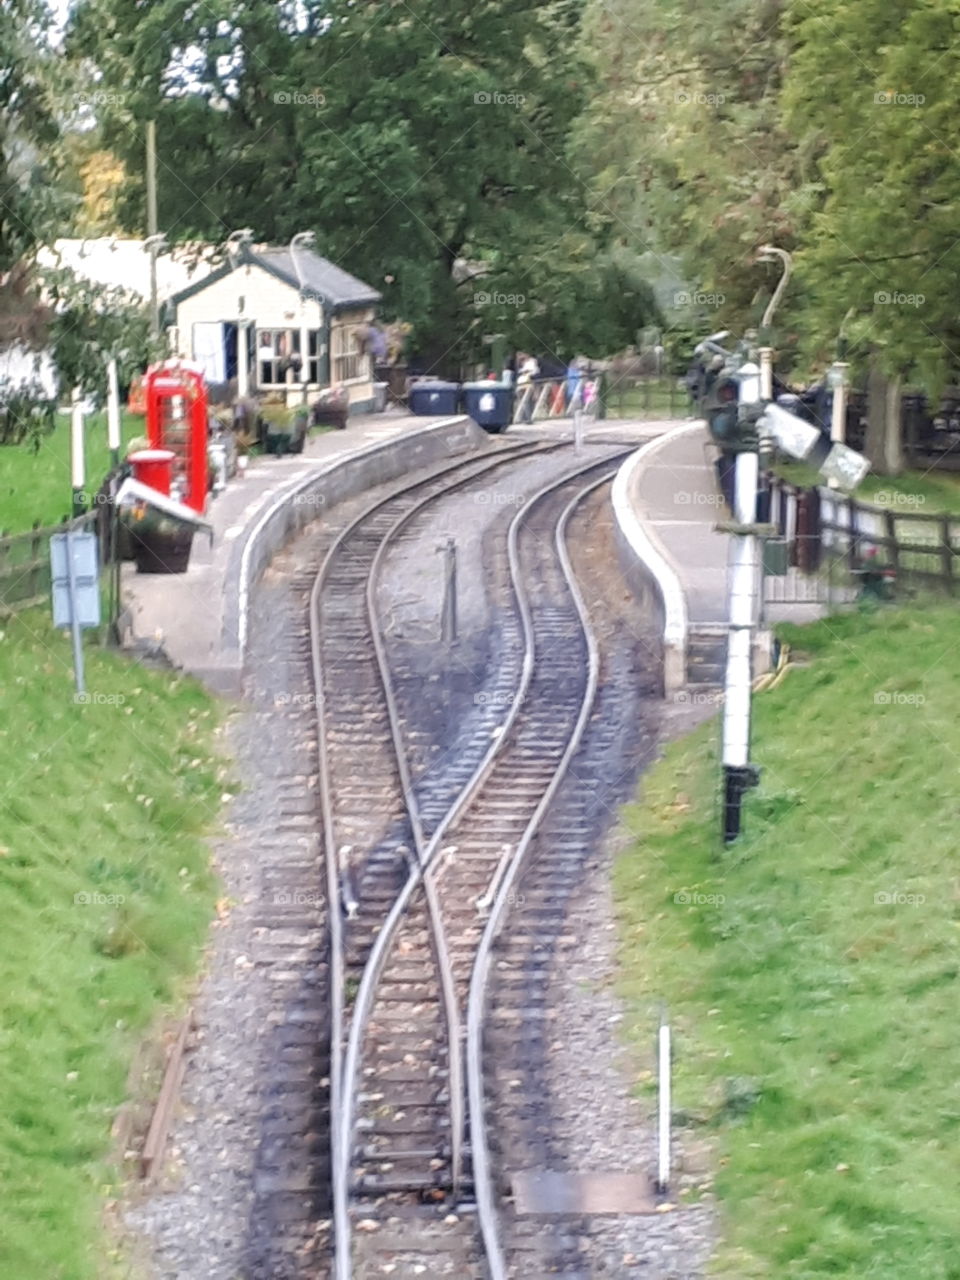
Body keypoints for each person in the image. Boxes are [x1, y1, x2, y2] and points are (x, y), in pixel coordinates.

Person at [517, 352, 539, 422]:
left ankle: (528, 418)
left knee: (527, 401)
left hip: (527, 384)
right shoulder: (521, 364)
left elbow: (533, 372)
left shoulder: (531, 362)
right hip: (522, 384)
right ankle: (526, 417)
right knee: (525, 402)